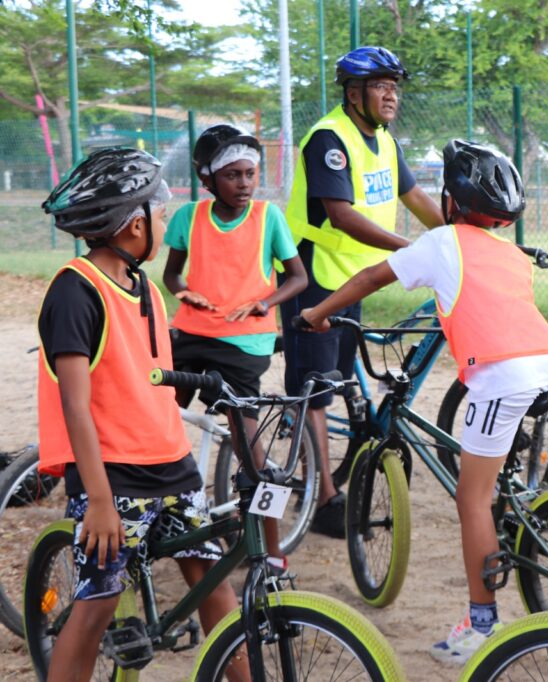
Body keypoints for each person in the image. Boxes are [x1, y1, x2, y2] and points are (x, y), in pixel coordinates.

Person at [299, 140, 548, 665]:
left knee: (472, 500)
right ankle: (513, 517)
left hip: (504, 373)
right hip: (547, 361)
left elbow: (372, 277)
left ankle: (482, 624)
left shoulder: (443, 241)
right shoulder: (509, 252)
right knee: (491, 477)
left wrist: (318, 313)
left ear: (450, 201)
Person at [37, 148, 244, 682]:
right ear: (135, 226)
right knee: (96, 605)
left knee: (213, 582)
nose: (164, 224)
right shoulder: (75, 291)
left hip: (173, 464)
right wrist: (99, 500)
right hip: (114, 476)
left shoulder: (146, 286)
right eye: (159, 214)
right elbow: (75, 404)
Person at [281, 46, 445, 538]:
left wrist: (459, 236)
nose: (391, 95)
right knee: (314, 391)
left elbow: (414, 196)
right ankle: (321, 500)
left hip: (355, 275)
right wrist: (411, 248)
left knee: (336, 378)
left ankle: (330, 470)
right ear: (354, 94)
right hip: (314, 275)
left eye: (394, 87)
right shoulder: (329, 138)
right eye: (380, 86)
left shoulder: (385, 140)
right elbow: (341, 215)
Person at [162, 124, 307, 567]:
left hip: (244, 344)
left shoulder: (268, 217)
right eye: (232, 175)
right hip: (190, 335)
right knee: (158, 419)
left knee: (252, 453)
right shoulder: (189, 217)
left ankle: (273, 552)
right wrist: (184, 292)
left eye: (250, 173)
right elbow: (171, 274)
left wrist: (265, 303)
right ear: (206, 179)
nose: (244, 183)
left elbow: (298, 277)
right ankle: (163, 509)